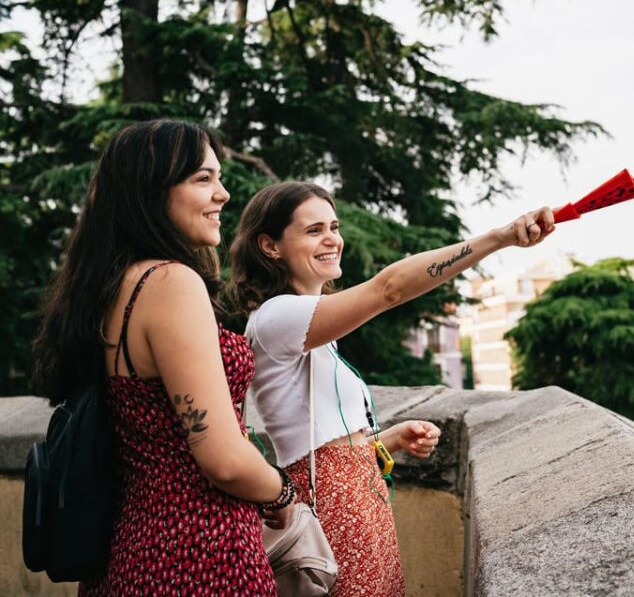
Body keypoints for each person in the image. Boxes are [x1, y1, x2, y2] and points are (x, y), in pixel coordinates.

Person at [228, 181, 555, 596]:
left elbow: (320, 437)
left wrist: (390, 440)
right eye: (313, 230)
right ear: (270, 246)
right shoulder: (278, 317)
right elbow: (390, 289)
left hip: (356, 495)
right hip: (335, 503)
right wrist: (499, 238)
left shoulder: (305, 324)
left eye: (334, 227)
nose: (332, 239)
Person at [31, 120, 295, 596]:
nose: (223, 194)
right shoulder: (171, 283)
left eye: (219, 178)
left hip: (130, 551)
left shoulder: (111, 286)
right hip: (198, 556)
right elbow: (224, 459)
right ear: (150, 191)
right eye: (203, 179)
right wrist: (283, 491)